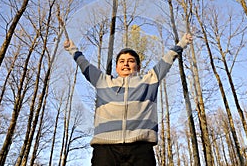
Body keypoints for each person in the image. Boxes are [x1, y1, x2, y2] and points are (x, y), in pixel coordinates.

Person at [64, 33, 193, 166]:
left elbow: (168, 59)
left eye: (131, 61)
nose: (126, 64)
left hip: (140, 148)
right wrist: (72, 49)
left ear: (138, 67)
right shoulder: (103, 82)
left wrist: (183, 42)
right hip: (105, 149)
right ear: (116, 67)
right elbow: (84, 65)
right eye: (122, 61)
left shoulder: (150, 80)